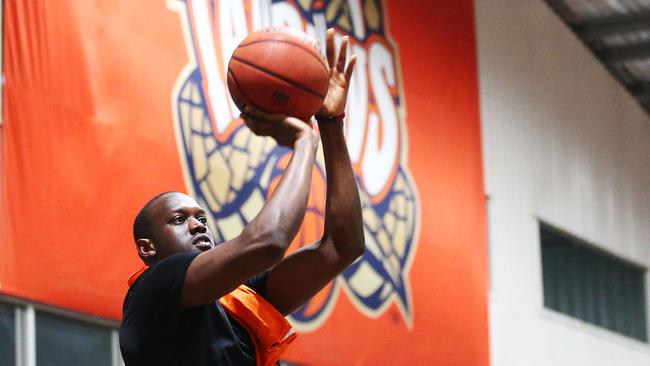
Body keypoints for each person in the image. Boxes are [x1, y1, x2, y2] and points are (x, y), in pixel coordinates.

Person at [119, 28, 364, 366]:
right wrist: (304, 141)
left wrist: (331, 123)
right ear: (148, 248)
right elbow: (269, 241)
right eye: (179, 219)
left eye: (201, 218)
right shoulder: (154, 290)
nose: (197, 225)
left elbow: (342, 246)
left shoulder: (240, 298)